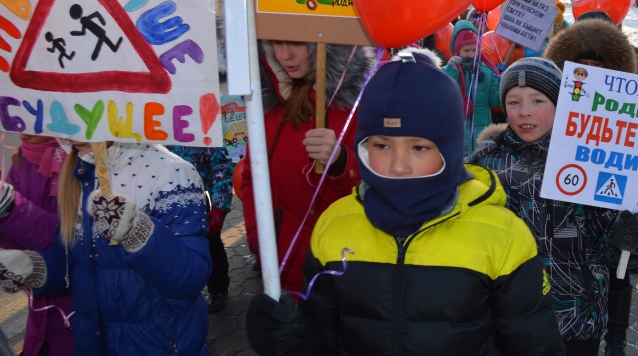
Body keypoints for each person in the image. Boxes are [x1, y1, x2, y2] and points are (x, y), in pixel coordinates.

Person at [246, 49, 565, 356]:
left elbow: (534, 344)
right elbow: (326, 338)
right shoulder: (333, 227)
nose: (398, 166)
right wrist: (294, 337)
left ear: (450, 150)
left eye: (419, 148)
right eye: (382, 145)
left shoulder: (504, 237)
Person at [470, 58, 638, 356]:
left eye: (538, 100)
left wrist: (631, 240)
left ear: (561, 105)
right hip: (504, 321)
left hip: (576, 320)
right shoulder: (486, 164)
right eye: (514, 102)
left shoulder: (591, 162)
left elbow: (618, 257)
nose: (524, 111)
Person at [0, 141, 212, 355]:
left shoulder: (170, 171)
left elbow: (191, 278)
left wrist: (138, 232)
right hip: (93, 343)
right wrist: (36, 268)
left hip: (159, 343)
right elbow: (74, 264)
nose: (72, 133)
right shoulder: (79, 173)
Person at [544, 13, 638, 355]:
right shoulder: (548, 112)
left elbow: (631, 256)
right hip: (560, 241)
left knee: (619, 258)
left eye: (598, 65)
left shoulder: (629, 117)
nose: (591, 73)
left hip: (611, 197)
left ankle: (617, 338)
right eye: (582, 64)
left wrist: (637, 236)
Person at [240, 41, 374, 292]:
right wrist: (259, 236)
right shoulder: (267, 106)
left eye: (297, 44)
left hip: (338, 267)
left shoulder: (357, 107)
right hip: (279, 267)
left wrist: (341, 163)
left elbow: (377, 189)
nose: (284, 55)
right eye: (276, 44)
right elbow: (250, 176)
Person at [0, 134, 73, 356]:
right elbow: (7, 239)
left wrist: (11, 207)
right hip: (41, 319)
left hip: (78, 316)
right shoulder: (24, 157)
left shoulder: (81, 158)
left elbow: (73, 243)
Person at [168, 145, 234, 313]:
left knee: (212, 249)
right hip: (163, 207)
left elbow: (221, 167)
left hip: (199, 206)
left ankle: (218, 288)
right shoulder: (148, 128)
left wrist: (219, 207)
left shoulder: (201, 128)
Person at [443, 20, 501, 155]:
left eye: (475, 49)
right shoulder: (447, 71)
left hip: (482, 136)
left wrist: (500, 82)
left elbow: (496, 102)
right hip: (456, 137)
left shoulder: (487, 71)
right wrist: (452, 71)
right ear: (456, 50)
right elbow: (443, 97)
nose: (471, 54)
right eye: (466, 50)